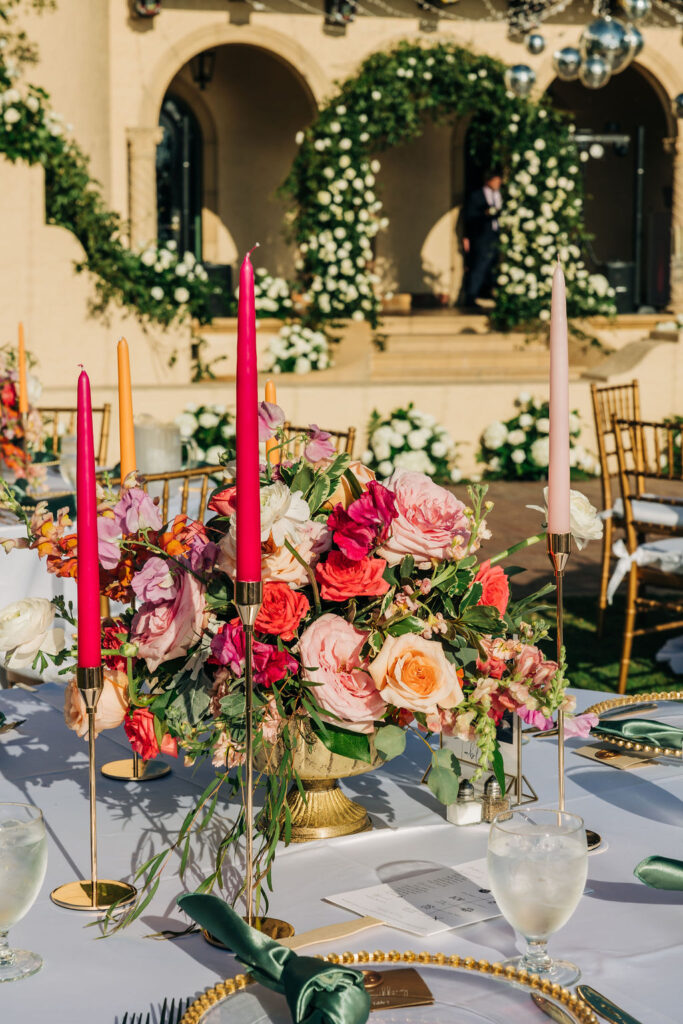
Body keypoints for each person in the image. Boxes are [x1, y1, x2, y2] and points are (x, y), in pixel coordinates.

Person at [462, 170, 503, 311]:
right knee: (479, 265)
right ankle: (471, 296)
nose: (498, 183)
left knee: (494, 266)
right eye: (496, 180)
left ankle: (491, 293)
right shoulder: (477, 196)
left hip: (497, 235)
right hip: (482, 236)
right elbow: (469, 216)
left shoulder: (500, 195)